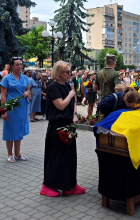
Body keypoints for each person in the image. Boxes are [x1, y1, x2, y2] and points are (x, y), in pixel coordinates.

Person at [40, 60, 85, 197]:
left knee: (69, 156)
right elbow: (60, 105)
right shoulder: (53, 87)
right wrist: (71, 94)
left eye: (70, 71)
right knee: (56, 156)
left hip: (68, 124)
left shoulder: (66, 85)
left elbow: (73, 103)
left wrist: (75, 114)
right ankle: (48, 185)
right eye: (67, 72)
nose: (70, 74)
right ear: (58, 73)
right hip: (57, 126)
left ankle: (69, 185)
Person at [0, 57, 31, 163]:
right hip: (11, 107)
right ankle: (10, 154)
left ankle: (18, 153)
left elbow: (28, 89)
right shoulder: (6, 78)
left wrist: (27, 93)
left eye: (21, 64)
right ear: (12, 66)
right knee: (10, 129)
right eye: (17, 64)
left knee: (19, 129)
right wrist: (3, 110)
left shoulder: (25, 78)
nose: (19, 66)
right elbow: (3, 96)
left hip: (22, 107)